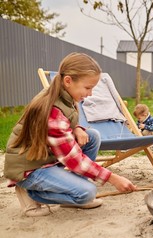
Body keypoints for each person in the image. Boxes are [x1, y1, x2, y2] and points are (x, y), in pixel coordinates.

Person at [4, 52, 137, 217]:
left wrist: (78, 128)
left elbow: (69, 119)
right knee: (87, 193)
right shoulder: (51, 109)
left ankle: (72, 190)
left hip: (46, 157)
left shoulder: (64, 94)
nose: (90, 93)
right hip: (29, 167)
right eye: (88, 87)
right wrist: (113, 178)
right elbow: (73, 160)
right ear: (68, 81)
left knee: (92, 136)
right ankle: (32, 192)